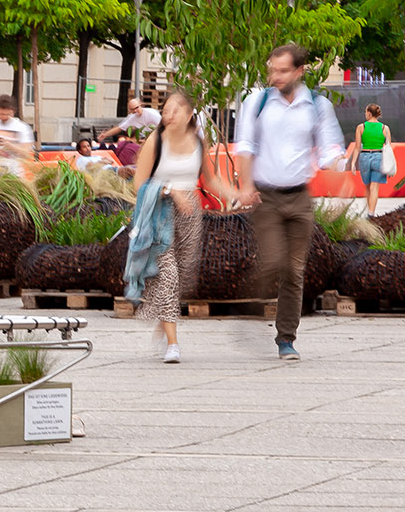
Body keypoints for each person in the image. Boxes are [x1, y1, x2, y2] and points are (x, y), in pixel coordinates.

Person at [235, 43, 346, 361]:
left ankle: (286, 339)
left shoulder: (317, 105)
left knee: (295, 270)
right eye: (272, 69)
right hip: (265, 196)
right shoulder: (256, 102)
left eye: (283, 70)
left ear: (300, 71)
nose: (275, 76)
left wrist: (338, 165)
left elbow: (328, 149)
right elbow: (244, 145)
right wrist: (245, 185)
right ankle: (251, 309)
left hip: (299, 196)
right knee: (273, 262)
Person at [124, 90, 239, 364]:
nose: (169, 115)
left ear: (189, 115)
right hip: (160, 213)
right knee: (168, 274)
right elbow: (139, 183)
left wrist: (237, 194)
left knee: (184, 275)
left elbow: (210, 181)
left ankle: (164, 319)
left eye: (176, 110)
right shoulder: (156, 140)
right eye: (165, 110)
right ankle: (173, 344)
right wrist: (169, 190)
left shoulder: (198, 142)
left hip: (191, 213)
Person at [347, 103, 393, 216]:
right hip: (379, 157)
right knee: (374, 187)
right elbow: (388, 149)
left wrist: (353, 163)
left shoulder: (361, 127)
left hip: (364, 157)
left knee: (367, 186)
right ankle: (371, 213)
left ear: (368, 113)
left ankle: (370, 212)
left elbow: (357, 147)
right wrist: (390, 166)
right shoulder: (385, 128)